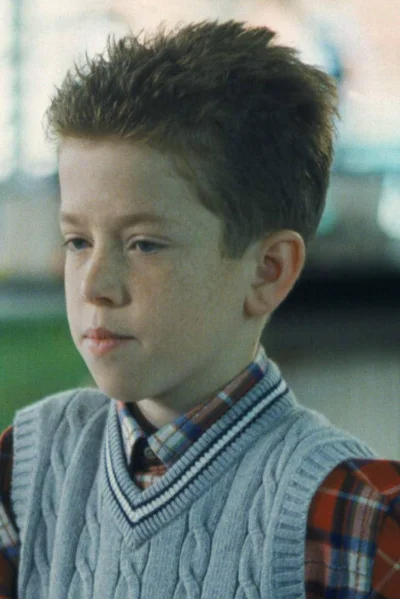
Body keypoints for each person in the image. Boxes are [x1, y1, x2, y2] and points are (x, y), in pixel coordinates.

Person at [0, 20, 399, 600]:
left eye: (144, 245)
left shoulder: (354, 514)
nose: (94, 286)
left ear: (268, 271)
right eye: (78, 241)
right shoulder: (26, 465)